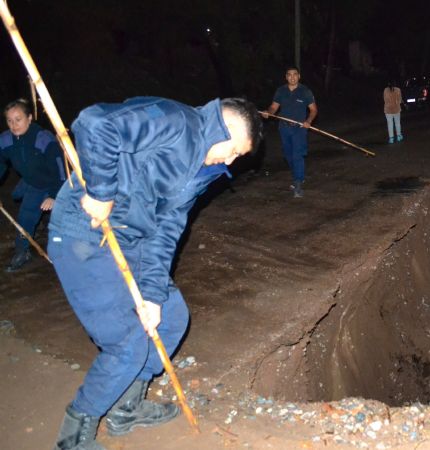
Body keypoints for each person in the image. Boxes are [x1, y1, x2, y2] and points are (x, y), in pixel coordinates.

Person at [48, 96, 262, 450]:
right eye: (233, 150)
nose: (231, 160)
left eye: (238, 156)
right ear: (221, 128)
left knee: (171, 316)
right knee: (128, 341)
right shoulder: (173, 121)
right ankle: (73, 434)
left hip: (131, 242)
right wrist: (101, 193)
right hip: (84, 232)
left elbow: (167, 228)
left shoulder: (203, 169)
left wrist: (151, 294)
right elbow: (94, 123)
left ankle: (125, 408)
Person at [0, 99, 66, 271]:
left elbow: (59, 170)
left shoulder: (43, 139)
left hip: (49, 182)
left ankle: (23, 250)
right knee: (15, 195)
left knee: (27, 215)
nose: (13, 125)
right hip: (30, 179)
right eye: (9, 120)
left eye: (18, 119)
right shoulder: (6, 139)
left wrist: (53, 195)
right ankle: (41, 219)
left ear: (29, 118)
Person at [266, 66, 317, 198]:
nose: (292, 77)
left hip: (299, 128)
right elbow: (273, 107)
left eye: (295, 74)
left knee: (297, 155)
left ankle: (298, 184)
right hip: (284, 127)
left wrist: (309, 121)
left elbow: (313, 110)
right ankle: (297, 177)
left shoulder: (305, 91)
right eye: (289, 74)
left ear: (299, 76)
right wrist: (269, 113)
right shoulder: (281, 91)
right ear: (286, 77)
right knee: (288, 155)